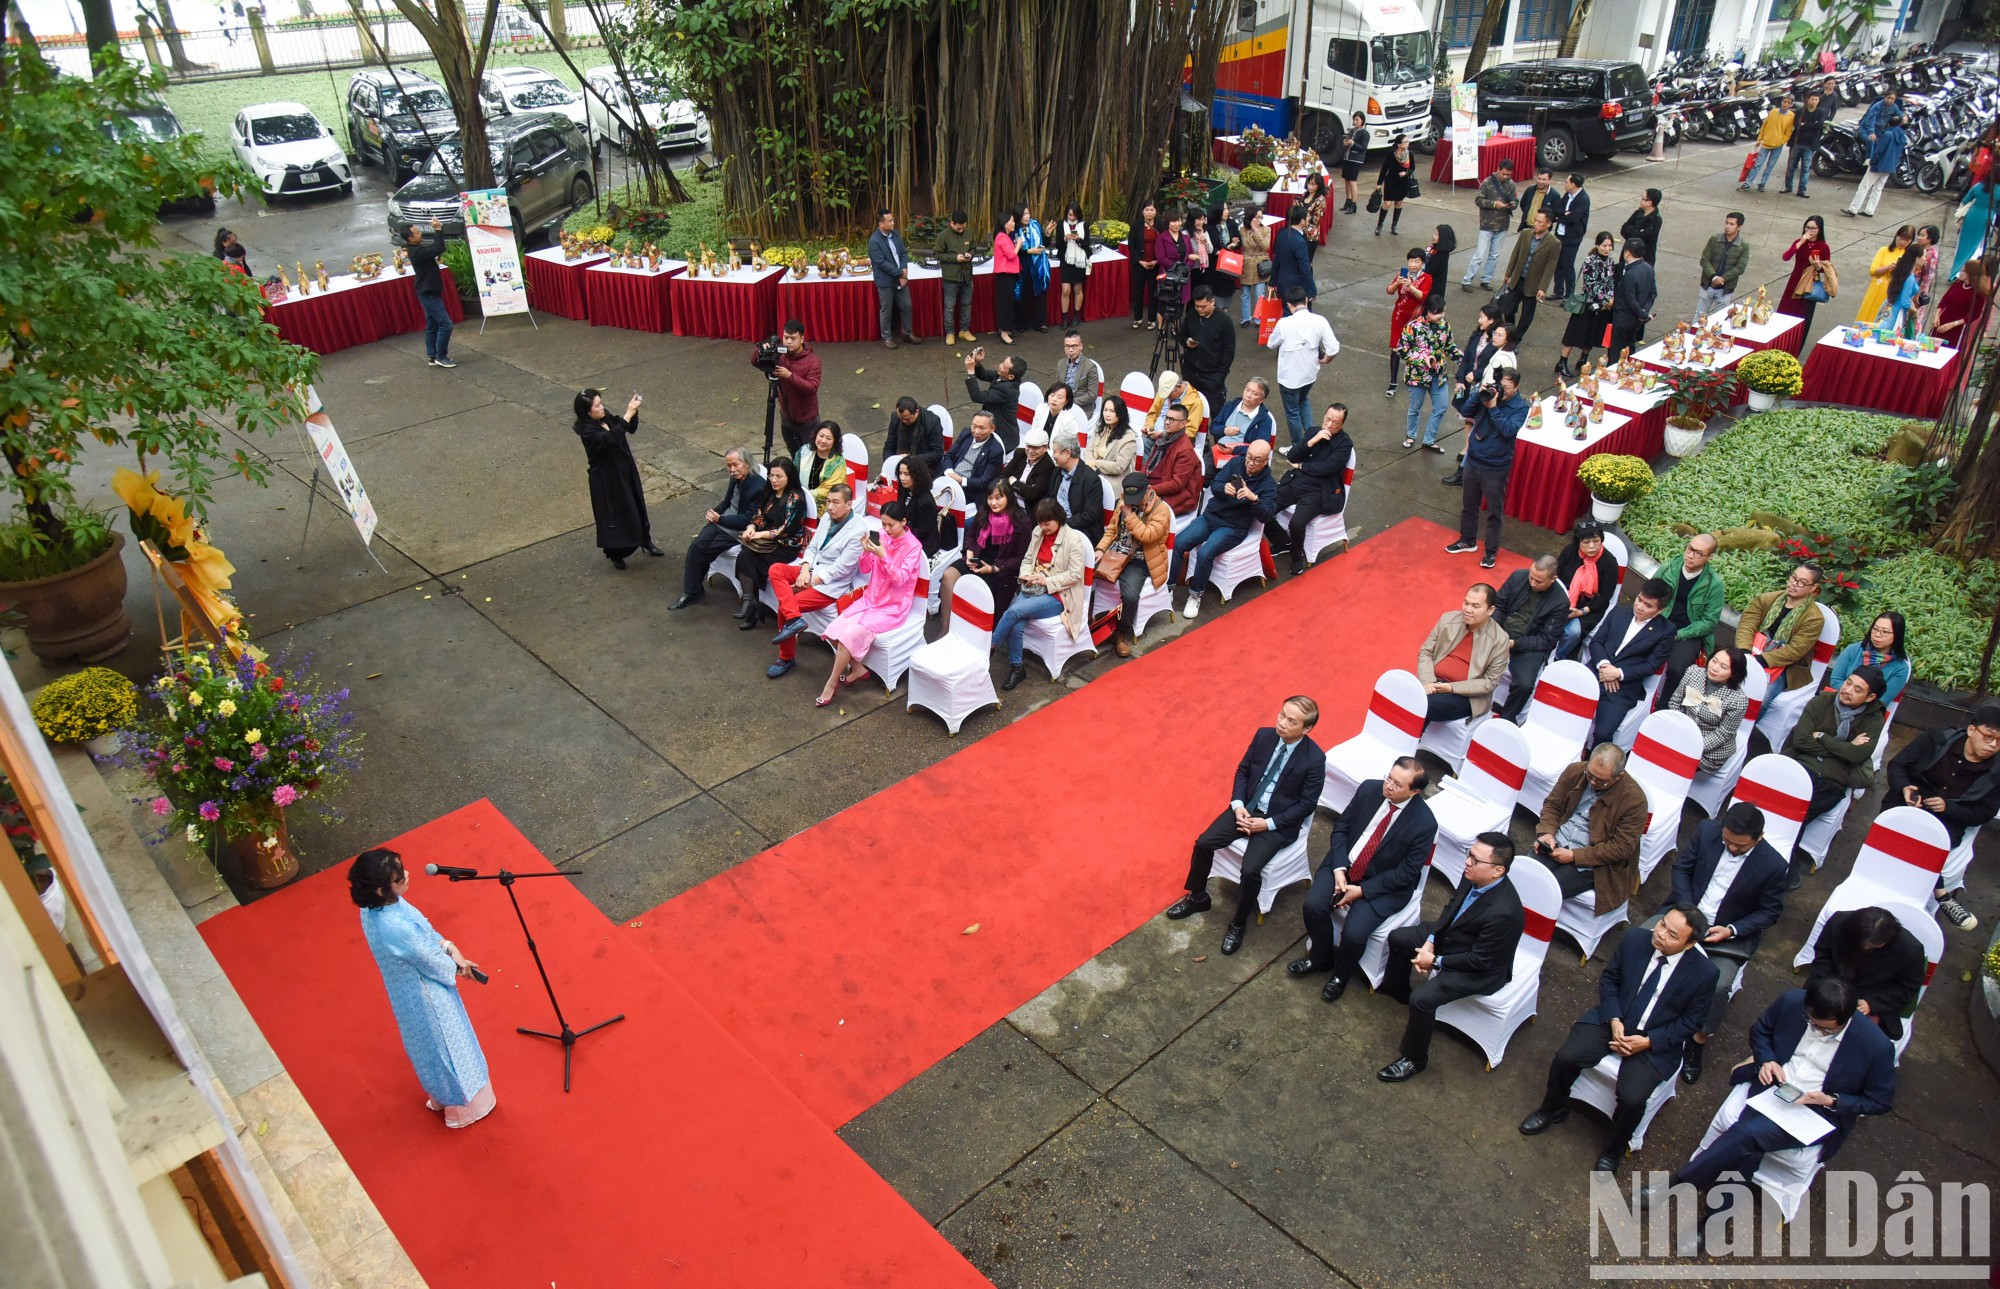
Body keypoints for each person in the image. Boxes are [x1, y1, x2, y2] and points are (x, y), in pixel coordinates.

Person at [1654, 978, 1896, 1227]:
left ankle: (1680, 1182)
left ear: (1845, 1021)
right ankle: (1714, 1219)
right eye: (1811, 1023)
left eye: (1825, 1030)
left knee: (1748, 1134)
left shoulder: (1876, 1046)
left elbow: (1879, 1101)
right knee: (1750, 1145)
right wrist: (1767, 1060)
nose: (1817, 1031)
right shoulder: (1792, 1001)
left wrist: (1832, 1100)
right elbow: (1760, 1030)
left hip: (1817, 1111)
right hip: (1772, 1086)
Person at [1519, 905, 1716, 1173]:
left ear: (1689, 944)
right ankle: (1552, 1109)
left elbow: (1690, 1022)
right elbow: (1610, 979)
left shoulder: (1704, 974)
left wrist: (1648, 1041)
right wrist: (1614, 1019)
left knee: (1633, 1099)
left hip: (1653, 1040)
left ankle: (1613, 1149)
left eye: (1672, 935)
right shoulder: (1635, 939)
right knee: (1566, 1057)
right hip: (1615, 1019)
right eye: (1662, 925)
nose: (1660, 934)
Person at [1166, 696, 1329, 955]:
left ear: (1306, 729)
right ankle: (1198, 897)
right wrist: (1238, 805)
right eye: (1282, 715)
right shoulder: (1264, 736)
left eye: (1291, 721)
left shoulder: (1314, 759)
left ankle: (1238, 923)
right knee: (1203, 843)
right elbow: (1243, 771)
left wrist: (1268, 824)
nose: (1282, 723)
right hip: (1246, 808)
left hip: (1275, 822)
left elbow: (1306, 805)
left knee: (1251, 869)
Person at [349, 849, 495, 1129]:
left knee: (429, 1048)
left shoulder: (376, 909)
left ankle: (442, 1096)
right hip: (427, 994)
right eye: (398, 877)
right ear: (380, 889)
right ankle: (464, 1109)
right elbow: (429, 959)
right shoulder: (394, 926)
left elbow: (424, 937)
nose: (406, 875)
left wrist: (449, 949)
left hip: (407, 993)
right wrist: (457, 964)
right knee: (450, 1047)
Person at [1375, 834, 1525, 1082]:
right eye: (1469, 854)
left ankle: (1415, 1059)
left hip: (1479, 969)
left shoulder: (1505, 913)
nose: (1467, 862)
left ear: (1498, 870)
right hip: (1452, 937)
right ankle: (1396, 989)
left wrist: (1435, 961)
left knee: (1422, 999)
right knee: (1399, 939)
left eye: (1475, 860)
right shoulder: (1473, 876)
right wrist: (1431, 940)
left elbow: (1479, 960)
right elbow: (1451, 908)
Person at [1291, 759, 1437, 999]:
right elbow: (1342, 828)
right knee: (1313, 906)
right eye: (1389, 777)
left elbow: (1407, 872)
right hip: (1344, 865)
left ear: (1415, 791)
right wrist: (1339, 868)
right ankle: (1320, 957)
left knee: (1355, 934)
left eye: (1397, 784)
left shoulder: (1424, 823)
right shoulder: (1369, 789)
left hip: (1381, 885)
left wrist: (1362, 891)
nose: (1388, 785)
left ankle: (1341, 975)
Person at [1664, 804, 1790, 1082]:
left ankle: (1697, 1040)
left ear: (1758, 838)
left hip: (1725, 936)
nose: (1732, 848)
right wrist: (1687, 910)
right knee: (1645, 940)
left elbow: (1769, 912)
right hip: (1687, 914)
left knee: (1719, 984)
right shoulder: (1707, 831)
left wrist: (1732, 930)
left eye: (1740, 846)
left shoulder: (1774, 865)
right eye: (1727, 841)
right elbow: (1682, 868)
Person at [1883, 705, 2000, 931]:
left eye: (1999, 741)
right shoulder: (1937, 739)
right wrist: (1904, 788)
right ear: (1971, 730)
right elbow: (1898, 765)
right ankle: (1940, 893)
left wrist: (1948, 809)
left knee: (1927, 841)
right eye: (1989, 737)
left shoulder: (1996, 771)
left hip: (1948, 821)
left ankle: (1906, 912)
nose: (1993, 745)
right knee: (1902, 832)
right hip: (1907, 804)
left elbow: (1984, 813)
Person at [814, 501, 922, 706]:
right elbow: (865, 569)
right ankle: (858, 669)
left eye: (891, 525)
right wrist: (865, 552)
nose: (886, 529)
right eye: (883, 524)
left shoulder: (913, 547)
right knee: (834, 629)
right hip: (871, 598)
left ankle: (831, 684)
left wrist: (884, 557)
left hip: (893, 606)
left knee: (848, 636)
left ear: (903, 522)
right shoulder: (881, 536)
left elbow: (900, 579)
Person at [992, 498, 1092, 692]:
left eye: (1047, 523)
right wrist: (1025, 574)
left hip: (1058, 595)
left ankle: (990, 647)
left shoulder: (1073, 540)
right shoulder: (1038, 532)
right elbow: (1028, 558)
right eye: (1040, 523)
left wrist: (1046, 580)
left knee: (1012, 612)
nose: (1044, 527)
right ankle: (1017, 668)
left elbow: (1075, 575)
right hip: (1033, 586)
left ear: (1058, 518)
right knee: (1016, 623)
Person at [1533, 744, 1646, 915]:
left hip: (1593, 860)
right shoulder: (1575, 771)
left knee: (1546, 892)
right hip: (1557, 840)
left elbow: (1621, 848)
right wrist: (1546, 832)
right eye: (1590, 775)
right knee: (1525, 874)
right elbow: (1552, 805)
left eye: (1601, 781)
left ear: (1618, 777)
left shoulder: (1634, 801)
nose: (1592, 782)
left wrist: (1575, 856)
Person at [766, 483, 864, 679]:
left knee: (785, 606)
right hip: (812, 570)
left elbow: (841, 569)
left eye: (835, 502)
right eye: (828, 501)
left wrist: (809, 582)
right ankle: (795, 619)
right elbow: (812, 548)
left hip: (830, 585)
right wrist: (804, 570)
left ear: (849, 504)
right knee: (776, 569)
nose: (830, 507)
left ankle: (786, 658)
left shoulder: (858, 531)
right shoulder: (827, 517)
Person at [1171, 440, 1276, 619]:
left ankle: (1195, 595)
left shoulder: (1269, 484)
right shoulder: (1236, 463)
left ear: (1266, 461)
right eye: (1249, 457)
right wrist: (1223, 488)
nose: (1250, 463)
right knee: (1179, 542)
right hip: (1211, 516)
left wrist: (1254, 498)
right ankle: (1168, 588)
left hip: (1233, 527)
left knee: (1205, 553)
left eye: (1257, 460)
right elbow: (1215, 484)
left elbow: (1266, 516)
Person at [1785, 666, 1888, 846]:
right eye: (1848, 683)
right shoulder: (1821, 702)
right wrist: (1844, 748)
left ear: (1870, 697)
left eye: (1858, 690)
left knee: (1798, 817)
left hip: (1834, 779)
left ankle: (1782, 852)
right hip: (1802, 763)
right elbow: (1801, 740)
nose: (1847, 690)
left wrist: (1822, 737)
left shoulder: (1874, 719)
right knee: (1780, 799)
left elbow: (1857, 755)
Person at [1445, 368, 1526, 571]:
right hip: (1474, 460)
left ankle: (1490, 551)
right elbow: (1466, 411)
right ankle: (1467, 539)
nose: (1503, 390)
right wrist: (1479, 394)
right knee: (1468, 504)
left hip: (1495, 466)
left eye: (1507, 387)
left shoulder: (1521, 407)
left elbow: (1508, 430)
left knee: (1494, 512)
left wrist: (1493, 408)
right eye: (1501, 386)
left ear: (1516, 387)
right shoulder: (1489, 395)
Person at [1805, 907, 1926, 1042]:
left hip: (1869, 997)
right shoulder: (1838, 922)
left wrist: (1872, 1003)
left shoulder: (1910, 950)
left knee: (1856, 1040)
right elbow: (1822, 956)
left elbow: (1908, 986)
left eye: (1871, 945)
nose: (1865, 947)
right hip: (1829, 984)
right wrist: (1828, 988)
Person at [669, 447, 768, 612]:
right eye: (729, 466)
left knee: (703, 550)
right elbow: (726, 502)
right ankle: (691, 592)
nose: (732, 469)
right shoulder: (735, 478)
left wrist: (720, 519)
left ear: (747, 463)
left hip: (737, 530)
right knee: (696, 546)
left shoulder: (758, 487)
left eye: (735, 465)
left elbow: (747, 520)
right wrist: (714, 512)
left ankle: (692, 591)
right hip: (722, 522)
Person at [571, 388, 658, 570]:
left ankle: (645, 539)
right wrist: (628, 413)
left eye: (601, 403)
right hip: (607, 479)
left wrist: (633, 411)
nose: (602, 407)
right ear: (587, 412)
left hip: (624, 469)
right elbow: (611, 439)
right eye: (597, 406)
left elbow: (628, 428)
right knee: (614, 515)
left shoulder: (605, 417)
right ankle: (616, 554)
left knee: (636, 504)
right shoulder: (588, 432)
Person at [1583, 579, 1677, 747]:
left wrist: (1618, 673)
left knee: (1603, 733)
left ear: (1660, 610)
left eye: (1648, 606)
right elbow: (1596, 642)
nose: (1640, 607)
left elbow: (1651, 665)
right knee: (1565, 708)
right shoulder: (1619, 611)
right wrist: (1605, 667)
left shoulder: (1666, 631)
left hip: (1622, 688)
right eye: (1639, 599)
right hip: (1594, 673)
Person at [1265, 404, 1352, 575]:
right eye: (1327, 419)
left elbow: (1328, 468)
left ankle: (1297, 556)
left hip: (1319, 490)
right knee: (1264, 508)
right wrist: (1312, 442)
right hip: (1297, 482)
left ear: (1342, 424)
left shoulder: (1344, 444)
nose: (1329, 424)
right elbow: (1292, 456)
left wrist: (1302, 466)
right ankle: (1282, 540)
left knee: (1296, 523)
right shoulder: (1313, 432)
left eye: (1335, 422)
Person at [1417, 583, 1511, 727]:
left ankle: (1408, 738)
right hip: (1433, 682)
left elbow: (1490, 682)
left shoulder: (1500, 640)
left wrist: (1451, 687)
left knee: (1424, 703)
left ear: (1490, 610)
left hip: (1466, 696)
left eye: (1475, 606)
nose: (1467, 609)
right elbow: (1426, 651)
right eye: (1466, 603)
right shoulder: (1448, 619)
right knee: (1400, 691)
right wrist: (1428, 681)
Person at [1099, 472, 1171, 657]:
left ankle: (1122, 632)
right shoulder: (1124, 502)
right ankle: (1089, 624)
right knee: (1083, 571)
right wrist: (1100, 549)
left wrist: (1129, 515)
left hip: (1140, 558)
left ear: (1148, 490)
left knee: (1130, 595)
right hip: (1116, 553)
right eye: (1129, 498)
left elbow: (1147, 535)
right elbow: (1112, 530)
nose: (1133, 502)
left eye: (1137, 498)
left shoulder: (1161, 510)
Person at [1736, 561, 1825, 710]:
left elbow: (1796, 650)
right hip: (1749, 652)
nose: (1794, 584)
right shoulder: (1765, 599)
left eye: (1802, 582)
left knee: (1760, 699)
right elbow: (1746, 625)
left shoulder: (1814, 618)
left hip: (1782, 666)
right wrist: (1745, 652)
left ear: (1813, 588)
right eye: (1793, 578)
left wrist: (1759, 660)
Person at [1492, 556, 1572, 721]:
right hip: (1501, 631)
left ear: (1553, 579)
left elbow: (1547, 639)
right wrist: (1495, 628)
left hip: (1529, 645)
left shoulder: (1560, 601)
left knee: (1524, 684)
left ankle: (1507, 718)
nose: (1533, 583)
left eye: (1539, 581)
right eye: (1531, 577)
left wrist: (1514, 644)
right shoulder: (1518, 577)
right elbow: (1499, 604)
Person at [729, 458, 807, 626]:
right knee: (745, 555)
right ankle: (751, 603)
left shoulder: (795, 498)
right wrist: (752, 527)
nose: (774, 480)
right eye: (771, 476)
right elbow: (759, 515)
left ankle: (752, 608)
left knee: (749, 559)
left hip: (785, 546)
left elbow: (785, 530)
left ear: (789, 477)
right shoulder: (770, 492)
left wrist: (759, 535)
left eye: (779, 476)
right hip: (766, 542)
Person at [937, 478, 1029, 621]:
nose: (993, 503)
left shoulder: (1022, 522)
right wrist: (969, 553)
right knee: (948, 576)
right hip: (977, 559)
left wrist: (993, 568)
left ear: (1009, 498)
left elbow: (1020, 559)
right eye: (990, 498)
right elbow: (971, 536)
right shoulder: (984, 512)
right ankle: (946, 626)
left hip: (1000, 570)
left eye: (998, 498)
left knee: (979, 596)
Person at [1266, 285, 1338, 446]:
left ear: (1288, 305)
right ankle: (1313, 437)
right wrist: (1326, 360)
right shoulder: (1320, 321)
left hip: (1289, 378)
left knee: (1292, 412)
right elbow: (1333, 348)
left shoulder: (1284, 324)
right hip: (1310, 373)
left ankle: (1298, 446)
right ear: (1306, 300)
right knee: (1303, 400)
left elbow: (1271, 344)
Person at [1664, 646, 1751, 774]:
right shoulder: (1693, 672)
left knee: (1674, 764)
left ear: (1733, 673)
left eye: (1723, 667)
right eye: (1714, 661)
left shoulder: (1738, 700)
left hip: (1709, 751)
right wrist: (1680, 732)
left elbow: (1722, 734)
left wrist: (1692, 746)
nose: (1714, 668)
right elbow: (1675, 702)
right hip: (1682, 732)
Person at [1397, 295, 1460, 451]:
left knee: (1441, 406)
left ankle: (1429, 440)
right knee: (1415, 407)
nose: (1442, 316)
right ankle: (1411, 435)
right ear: (1429, 312)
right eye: (1440, 313)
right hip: (1417, 376)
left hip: (1438, 375)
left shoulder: (1445, 325)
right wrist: (1422, 358)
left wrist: (1466, 362)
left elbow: (1450, 347)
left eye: (1444, 312)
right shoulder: (1413, 327)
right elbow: (1402, 350)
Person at [1554, 519, 1620, 659]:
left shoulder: (1609, 562)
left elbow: (1605, 597)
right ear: (1578, 543)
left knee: (1572, 632)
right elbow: (1557, 576)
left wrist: (1581, 611)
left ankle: (1559, 657)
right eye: (1586, 542)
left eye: (1596, 541)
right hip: (1563, 599)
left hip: (1589, 607)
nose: (1592, 546)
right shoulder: (1570, 551)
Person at [1556, 233, 1617, 381]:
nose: (1607, 249)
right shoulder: (1590, 261)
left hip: (1602, 307)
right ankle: (1562, 361)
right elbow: (1590, 284)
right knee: (1573, 333)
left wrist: (1611, 298)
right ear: (1597, 245)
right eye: (1604, 245)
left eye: (1610, 246)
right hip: (1588, 304)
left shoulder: (1610, 262)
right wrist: (1605, 300)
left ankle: (1583, 359)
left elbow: (1610, 283)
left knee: (1592, 334)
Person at [1497, 209, 1559, 343]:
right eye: (1535, 220)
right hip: (1518, 279)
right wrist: (1508, 273)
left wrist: (1542, 288)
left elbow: (1550, 266)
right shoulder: (1525, 234)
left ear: (1548, 224)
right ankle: (1510, 332)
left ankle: (1516, 339)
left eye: (1540, 222)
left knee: (1526, 315)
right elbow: (1515, 254)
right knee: (1508, 309)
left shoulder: (1554, 243)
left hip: (1533, 284)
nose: (1535, 224)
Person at [402, 219, 455, 369]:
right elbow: (438, 248)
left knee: (432, 325)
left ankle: (432, 355)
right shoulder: (416, 252)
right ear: (410, 238)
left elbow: (433, 250)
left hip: (430, 292)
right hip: (428, 293)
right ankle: (441, 356)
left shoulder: (417, 248)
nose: (420, 233)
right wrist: (438, 230)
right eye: (417, 233)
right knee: (446, 324)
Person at [765, 319, 822, 454]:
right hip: (787, 415)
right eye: (786, 338)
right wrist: (762, 350)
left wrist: (789, 376)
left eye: (793, 338)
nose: (788, 342)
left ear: (802, 339)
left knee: (810, 455)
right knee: (793, 452)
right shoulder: (780, 355)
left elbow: (812, 387)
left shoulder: (813, 362)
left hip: (807, 418)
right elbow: (756, 362)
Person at [1827, 611, 1909, 705]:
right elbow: (1836, 680)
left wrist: (1857, 700)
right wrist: (1850, 695)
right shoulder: (1853, 650)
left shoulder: (1900, 668)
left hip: (1867, 711)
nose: (1877, 634)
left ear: (1897, 635)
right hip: (1838, 701)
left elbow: (1882, 701)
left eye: (1885, 632)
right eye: (1875, 629)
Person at [867, 208, 920, 349]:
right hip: (885, 281)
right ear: (881, 224)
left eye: (893, 220)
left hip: (900, 277)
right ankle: (887, 337)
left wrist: (904, 269)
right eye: (890, 221)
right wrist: (900, 274)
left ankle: (907, 333)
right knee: (887, 310)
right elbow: (881, 263)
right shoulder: (874, 241)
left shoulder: (896, 235)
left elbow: (903, 253)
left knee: (907, 305)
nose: (893, 223)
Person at [1179, 286, 1236, 418]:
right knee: (1189, 414)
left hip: (1212, 376)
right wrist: (1187, 342)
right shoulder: (1191, 315)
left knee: (1217, 415)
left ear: (1212, 301)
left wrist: (1221, 376)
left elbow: (1229, 350)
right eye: (1197, 306)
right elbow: (1182, 336)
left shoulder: (1224, 321)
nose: (1200, 309)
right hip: (1191, 374)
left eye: (1203, 306)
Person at [1384, 247, 1432, 397]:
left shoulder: (1427, 278)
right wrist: (1397, 283)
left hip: (1415, 319)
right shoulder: (1402, 275)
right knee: (1395, 348)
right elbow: (1389, 291)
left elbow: (1422, 296)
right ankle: (1393, 381)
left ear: (1422, 263)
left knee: (1415, 348)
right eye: (1410, 261)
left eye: (1416, 261)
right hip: (1399, 315)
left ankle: (1414, 376)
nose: (1412, 264)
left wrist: (1410, 286)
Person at [1464, 159, 1518, 292]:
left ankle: (1486, 280)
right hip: (1487, 224)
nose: (1506, 177)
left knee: (1494, 256)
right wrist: (1493, 204)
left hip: (1502, 225)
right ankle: (1467, 280)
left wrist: (1511, 205)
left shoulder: (1511, 184)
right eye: (1503, 174)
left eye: (1508, 175)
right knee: (1480, 255)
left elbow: (1515, 201)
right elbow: (1478, 200)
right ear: (1498, 170)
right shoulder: (1487, 182)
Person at [1844, 112, 1908, 220]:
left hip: (1879, 164)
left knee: (1864, 187)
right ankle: (1870, 210)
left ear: (1889, 124)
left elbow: (1879, 151)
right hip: (1890, 166)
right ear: (1900, 124)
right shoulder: (1902, 136)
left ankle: (1853, 209)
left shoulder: (1887, 134)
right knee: (1878, 188)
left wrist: (1872, 161)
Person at [1142, 404, 1204, 516]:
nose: (1166, 422)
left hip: (1174, 497)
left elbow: (1176, 484)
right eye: (1166, 418)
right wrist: (1139, 482)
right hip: (1153, 486)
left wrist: (1148, 490)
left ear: (1183, 424)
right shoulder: (1163, 439)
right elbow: (1148, 463)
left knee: (1135, 510)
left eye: (1172, 420)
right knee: (1124, 499)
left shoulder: (1185, 450)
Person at [1047, 432, 1104, 547]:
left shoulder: (1091, 479)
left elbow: (1090, 515)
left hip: (1081, 530)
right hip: (1057, 525)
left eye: (1055, 451)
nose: (1053, 455)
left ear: (1067, 453)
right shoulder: (1057, 472)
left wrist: (1061, 524)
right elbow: (1050, 499)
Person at [1933, 261, 1991, 375]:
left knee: (1948, 353)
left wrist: (1953, 324)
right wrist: (1936, 316)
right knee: (1933, 347)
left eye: (1963, 271)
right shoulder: (1957, 284)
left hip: (1958, 328)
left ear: (1971, 273)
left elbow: (1975, 314)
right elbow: (1944, 300)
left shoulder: (1978, 293)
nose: (1960, 272)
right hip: (1942, 321)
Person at [963, 348, 1026, 449]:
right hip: (993, 428)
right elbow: (984, 374)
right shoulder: (1003, 376)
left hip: (1003, 439)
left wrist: (971, 372)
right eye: (1003, 362)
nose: (1000, 365)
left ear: (1011, 376)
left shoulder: (1007, 390)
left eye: (1004, 366)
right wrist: (977, 363)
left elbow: (977, 396)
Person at [1207, 377, 1277, 467]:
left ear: (1261, 400)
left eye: (1254, 393)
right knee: (1201, 470)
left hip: (1244, 458)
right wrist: (1224, 430)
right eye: (1247, 390)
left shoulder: (1265, 420)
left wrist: (1235, 450)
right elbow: (1213, 428)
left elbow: (1260, 448)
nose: (1248, 395)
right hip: (1220, 451)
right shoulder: (1231, 406)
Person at [1695, 212, 1751, 321]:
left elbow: (1740, 267)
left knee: (1719, 320)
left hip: (1725, 289)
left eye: (1732, 224)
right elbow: (1705, 260)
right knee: (1699, 317)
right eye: (1727, 223)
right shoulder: (1714, 240)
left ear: (1739, 227)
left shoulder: (1744, 246)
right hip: (1707, 285)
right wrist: (1714, 277)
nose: (1727, 226)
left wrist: (1722, 279)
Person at [889, 454, 948, 557]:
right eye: (900, 473)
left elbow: (922, 532)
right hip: (903, 533)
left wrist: (899, 533)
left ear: (917, 475)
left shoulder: (926, 502)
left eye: (906, 474)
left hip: (922, 543)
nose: (902, 478)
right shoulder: (904, 489)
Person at [942, 409, 1008, 500]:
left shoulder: (996, 451)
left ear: (992, 428)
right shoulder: (966, 433)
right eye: (974, 426)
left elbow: (985, 481)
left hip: (968, 490)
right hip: (949, 477)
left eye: (982, 428)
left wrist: (962, 480)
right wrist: (949, 472)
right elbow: (949, 455)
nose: (976, 431)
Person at [1608, 237, 1656, 359]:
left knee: (1617, 355)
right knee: (1630, 351)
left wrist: (1642, 313)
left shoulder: (1630, 274)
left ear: (1627, 253)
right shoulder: (1649, 269)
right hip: (1636, 321)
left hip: (1623, 320)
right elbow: (1653, 293)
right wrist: (1644, 310)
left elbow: (1630, 300)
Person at [1857, 225, 1915, 325]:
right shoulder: (1884, 250)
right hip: (1877, 289)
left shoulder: (1909, 256)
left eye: (1907, 240)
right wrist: (1887, 268)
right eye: (1901, 238)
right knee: (1868, 315)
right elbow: (1872, 271)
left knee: (1883, 321)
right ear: (1896, 236)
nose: (1902, 242)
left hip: (1893, 293)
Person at [936, 209, 977, 342]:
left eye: (963, 227)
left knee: (967, 305)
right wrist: (955, 258)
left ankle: (965, 330)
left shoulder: (969, 232)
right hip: (951, 277)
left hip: (967, 275)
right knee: (949, 307)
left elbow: (973, 248)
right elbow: (937, 254)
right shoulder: (943, 236)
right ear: (952, 223)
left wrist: (970, 254)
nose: (961, 230)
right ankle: (949, 333)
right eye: (959, 228)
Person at [1743, 93, 1796, 192]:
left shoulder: (1791, 116)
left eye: (1788, 103)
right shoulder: (1773, 112)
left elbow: (1788, 132)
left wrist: (1782, 141)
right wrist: (1760, 139)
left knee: (1770, 166)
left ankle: (1762, 184)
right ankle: (1747, 183)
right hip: (1766, 142)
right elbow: (1764, 126)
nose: (1786, 104)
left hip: (1778, 145)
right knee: (1758, 164)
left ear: (1791, 104)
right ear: (1781, 102)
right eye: (1785, 102)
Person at [1013, 202, 1052, 333]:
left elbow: (1044, 243)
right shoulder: (1014, 229)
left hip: (1038, 265)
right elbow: (1014, 251)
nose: (1027, 216)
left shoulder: (1035, 225)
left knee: (1039, 293)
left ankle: (1041, 323)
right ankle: (1022, 323)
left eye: (1028, 213)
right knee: (1023, 293)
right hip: (1022, 265)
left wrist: (1047, 234)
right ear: (1018, 216)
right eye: (1023, 214)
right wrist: (1030, 251)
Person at [1055, 202, 1093, 329]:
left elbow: (1087, 245)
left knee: (1077, 289)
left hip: (1079, 261)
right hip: (1066, 260)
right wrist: (1065, 239)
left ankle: (1076, 316)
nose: (1071, 218)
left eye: (1074, 215)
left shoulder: (1084, 225)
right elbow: (1058, 245)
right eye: (1069, 215)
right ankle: (1065, 318)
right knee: (1066, 290)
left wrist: (1078, 240)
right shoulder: (1061, 224)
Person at [794, 420, 849, 510]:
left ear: (835, 441)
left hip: (826, 507)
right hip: (800, 500)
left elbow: (833, 489)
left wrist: (808, 496)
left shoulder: (838, 462)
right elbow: (793, 474)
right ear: (816, 435)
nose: (823, 441)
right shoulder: (804, 451)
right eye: (821, 436)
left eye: (828, 438)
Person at [883, 398, 945, 477]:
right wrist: (889, 464)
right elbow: (889, 445)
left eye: (907, 419)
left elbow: (938, 453)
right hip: (899, 466)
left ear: (917, 412)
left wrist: (911, 459)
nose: (903, 421)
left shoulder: (932, 422)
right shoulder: (895, 417)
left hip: (924, 467)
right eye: (901, 418)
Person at [1877, 235, 1925, 337]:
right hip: (1896, 312)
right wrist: (1915, 311)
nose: (1925, 259)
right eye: (1924, 256)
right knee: (1889, 336)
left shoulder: (1901, 272)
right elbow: (1904, 302)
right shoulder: (1910, 278)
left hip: (1888, 306)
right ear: (1917, 258)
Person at [1551, 173, 1589, 300]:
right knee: (1558, 264)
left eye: (1566, 182)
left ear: (1573, 184)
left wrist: (1561, 217)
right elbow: (1556, 209)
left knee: (1568, 265)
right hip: (1559, 235)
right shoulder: (1568, 195)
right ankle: (1558, 292)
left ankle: (1569, 295)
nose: (1565, 184)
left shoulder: (1583, 199)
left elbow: (1573, 218)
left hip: (1572, 238)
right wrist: (1564, 213)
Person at [1269, 205, 1317, 307]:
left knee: (1286, 312)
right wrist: (1311, 291)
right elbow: (1304, 268)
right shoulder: (1300, 242)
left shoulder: (1282, 235)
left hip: (1283, 284)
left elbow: (1276, 260)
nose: (1309, 219)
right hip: (1297, 289)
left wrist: (1272, 282)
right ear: (1302, 221)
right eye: (1307, 217)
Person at [1083, 394, 1138, 480]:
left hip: (1113, 478)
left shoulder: (1129, 438)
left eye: (1112, 411)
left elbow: (1119, 466)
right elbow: (1089, 450)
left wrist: (1096, 463)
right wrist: (1092, 467)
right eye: (1105, 410)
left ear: (1120, 413)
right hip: (1093, 472)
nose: (1107, 414)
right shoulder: (1100, 428)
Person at [1144, 370, 1210, 441]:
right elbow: (1152, 414)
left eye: (1169, 394)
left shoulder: (1195, 402)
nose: (1166, 397)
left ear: (1179, 387)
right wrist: (1148, 425)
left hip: (1172, 442)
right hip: (1153, 434)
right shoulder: (1164, 391)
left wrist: (1162, 435)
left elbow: (1189, 433)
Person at [1785, 90, 1827, 197]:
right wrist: (1811, 124)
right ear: (1808, 100)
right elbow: (1797, 125)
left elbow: (1819, 125)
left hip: (1810, 145)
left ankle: (1801, 190)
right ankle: (1788, 187)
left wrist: (1805, 124)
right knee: (1791, 167)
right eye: (1812, 99)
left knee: (1805, 168)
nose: (1814, 102)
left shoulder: (1821, 112)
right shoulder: (1800, 112)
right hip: (1797, 143)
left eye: (1816, 100)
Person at [1027, 382, 1088, 455]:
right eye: (1052, 395)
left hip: (1057, 455)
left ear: (1066, 401)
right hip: (1037, 449)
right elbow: (1033, 432)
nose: (1054, 399)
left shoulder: (1069, 420)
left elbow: (1071, 447)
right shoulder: (1040, 409)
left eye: (1059, 397)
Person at [1003, 426, 1055, 511]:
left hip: (1027, 509)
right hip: (1009, 501)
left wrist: (1013, 482)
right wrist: (1024, 488)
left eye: (1035, 447)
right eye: (1028, 446)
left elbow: (1032, 493)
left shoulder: (1048, 466)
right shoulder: (1020, 453)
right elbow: (1003, 476)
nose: (1030, 451)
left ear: (1045, 448)